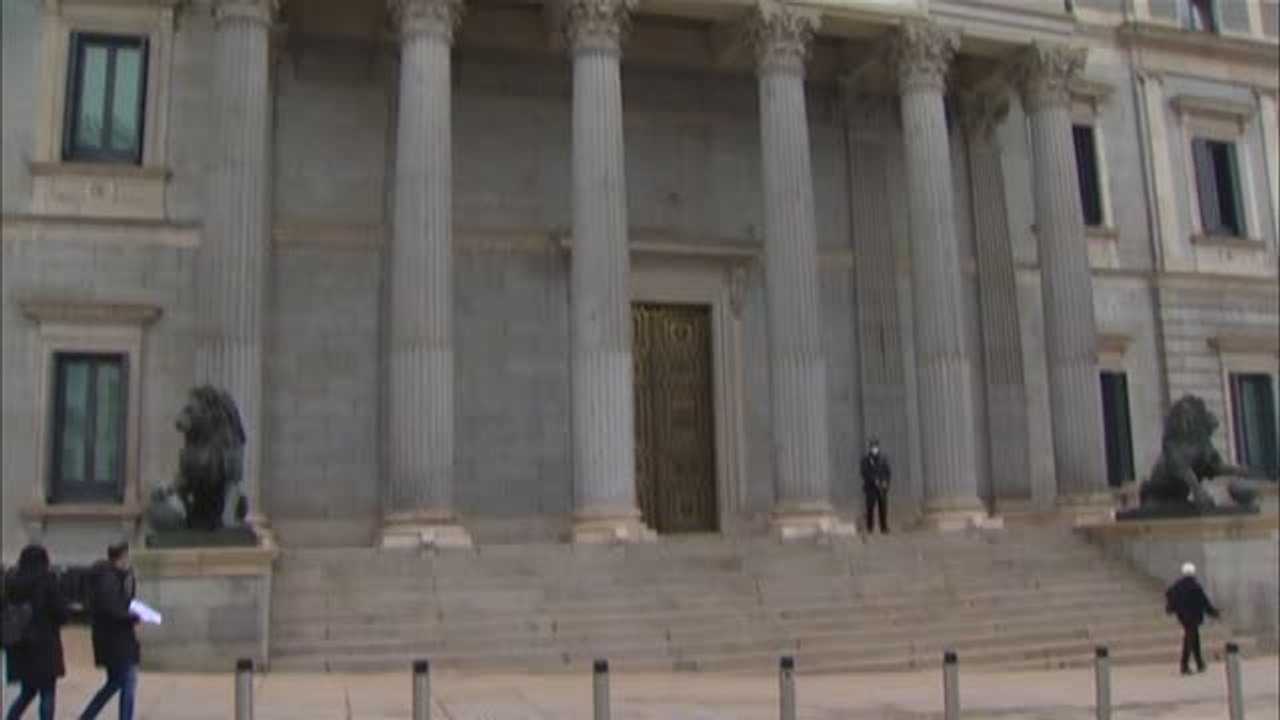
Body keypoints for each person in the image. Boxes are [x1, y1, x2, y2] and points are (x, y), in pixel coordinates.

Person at [3, 545, 69, 720]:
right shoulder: (47, 581)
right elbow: (61, 612)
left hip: (20, 644)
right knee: (47, 692)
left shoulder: (11, 580)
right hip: (44, 644)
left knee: (27, 691)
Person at [79, 543, 140, 720]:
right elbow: (113, 609)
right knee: (127, 682)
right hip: (116, 641)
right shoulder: (108, 579)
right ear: (121, 557)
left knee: (115, 683)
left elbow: (123, 601)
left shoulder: (114, 577)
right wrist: (133, 617)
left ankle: (87, 716)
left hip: (113, 640)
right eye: (127, 557)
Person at [1165, 562, 1220, 675]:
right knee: (1190, 640)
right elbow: (1204, 602)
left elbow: (1169, 594)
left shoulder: (1177, 586)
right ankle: (1184, 665)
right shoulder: (1195, 586)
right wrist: (1214, 613)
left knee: (1194, 638)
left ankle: (1199, 663)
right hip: (1193, 616)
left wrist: (1173, 607)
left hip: (1183, 616)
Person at [860, 439, 892, 534]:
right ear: (870, 447)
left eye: (876, 446)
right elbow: (864, 472)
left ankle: (884, 527)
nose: (874, 448)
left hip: (882, 488)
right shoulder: (865, 459)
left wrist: (886, 482)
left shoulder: (883, 458)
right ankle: (870, 527)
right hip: (871, 488)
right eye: (873, 446)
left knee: (883, 508)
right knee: (870, 508)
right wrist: (874, 480)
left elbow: (888, 472)